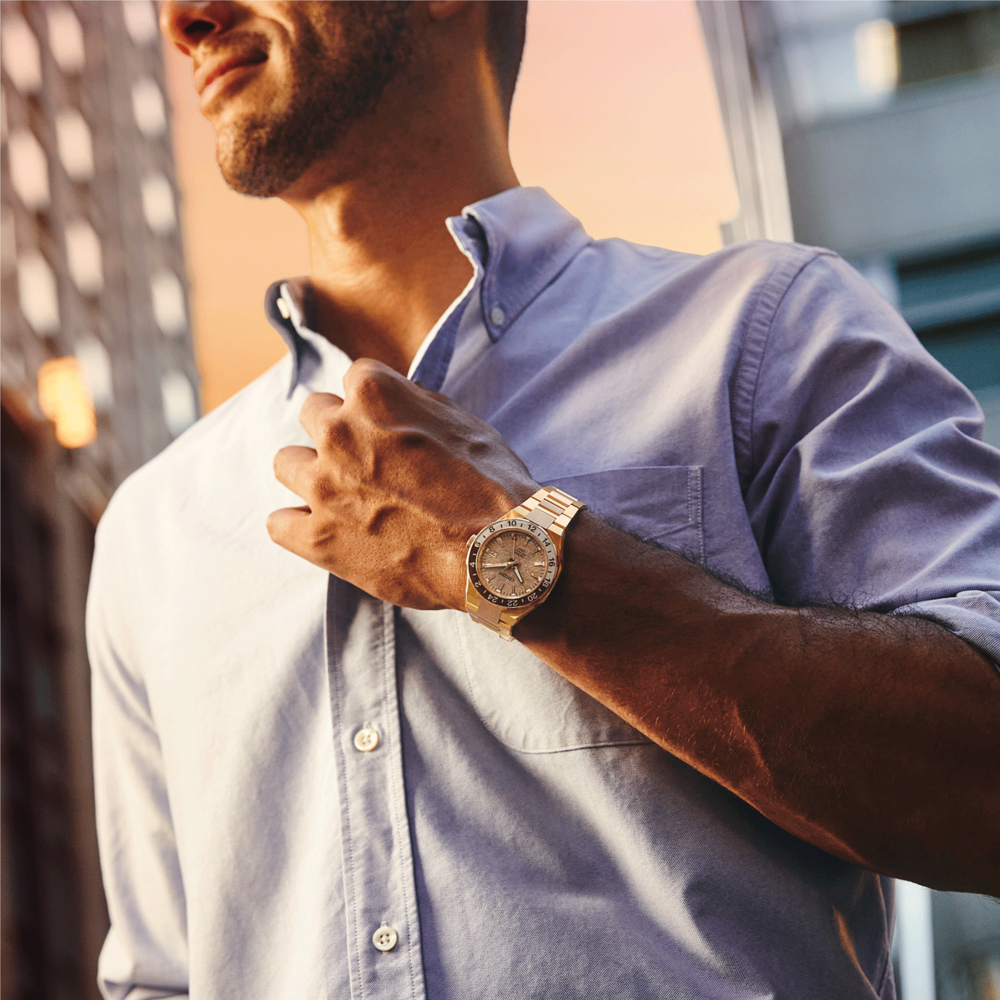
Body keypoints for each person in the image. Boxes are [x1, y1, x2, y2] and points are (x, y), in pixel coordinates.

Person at [87, 2, 1000, 997]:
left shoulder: (765, 335)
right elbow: (161, 975)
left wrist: (511, 552)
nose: (184, 19)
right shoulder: (153, 528)